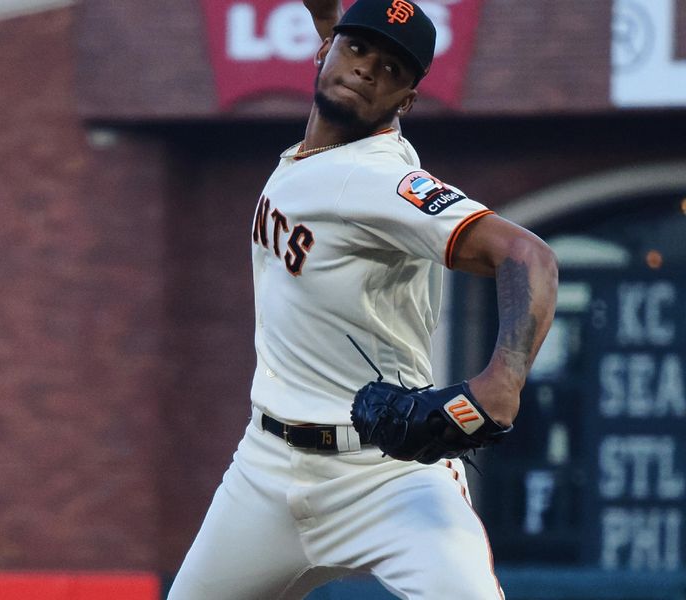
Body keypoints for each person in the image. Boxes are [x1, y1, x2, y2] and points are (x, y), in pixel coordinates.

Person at [168, 0, 558, 598]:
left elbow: (528, 256)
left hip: (385, 475)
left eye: (393, 69)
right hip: (265, 471)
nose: (367, 69)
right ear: (325, 50)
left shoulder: (377, 181)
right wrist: (331, 21)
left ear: (404, 102)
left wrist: (501, 383)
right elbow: (343, 46)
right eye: (357, 48)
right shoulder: (328, 134)